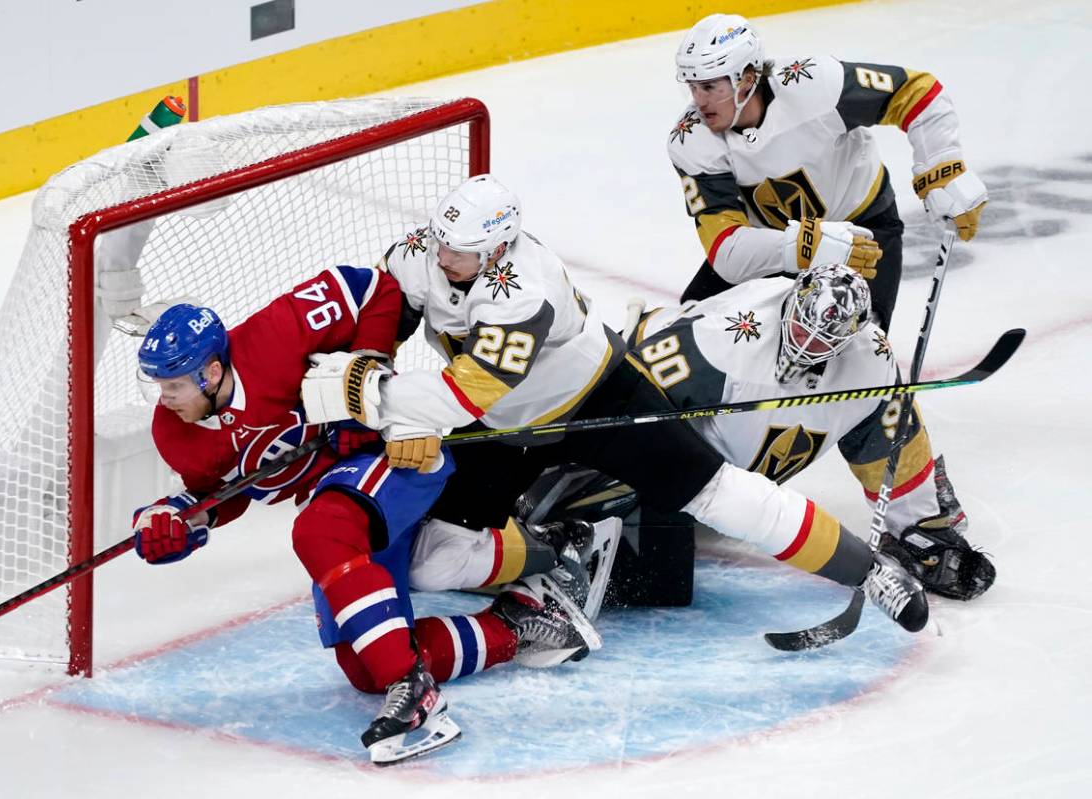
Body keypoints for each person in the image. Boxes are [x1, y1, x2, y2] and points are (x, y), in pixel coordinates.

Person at [301, 173, 932, 636]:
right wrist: (373, 363)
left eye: (458, 250)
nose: (442, 257)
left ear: (497, 250)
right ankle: (556, 544)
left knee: (720, 494)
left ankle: (866, 568)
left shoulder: (521, 291)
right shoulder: (427, 251)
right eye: (439, 241)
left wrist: (371, 395)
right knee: (429, 565)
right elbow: (390, 300)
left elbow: (469, 389)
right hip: (508, 429)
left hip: (598, 398)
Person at [129, 267, 599, 765]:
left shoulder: (276, 333)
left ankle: (414, 688)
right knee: (364, 667)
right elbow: (223, 492)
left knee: (320, 530)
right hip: (344, 497)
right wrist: (178, 519)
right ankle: (518, 624)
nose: (164, 398)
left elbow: (372, 288)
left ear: (213, 371)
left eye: (174, 384)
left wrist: (364, 379)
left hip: (393, 451)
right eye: (159, 386)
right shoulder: (174, 432)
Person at [628, 262, 995, 601]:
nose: (805, 345)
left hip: (728, 484)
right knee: (647, 554)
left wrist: (918, 525)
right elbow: (626, 393)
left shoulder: (870, 361)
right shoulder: (726, 337)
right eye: (804, 327)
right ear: (791, 305)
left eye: (823, 340)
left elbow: (887, 442)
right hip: (653, 372)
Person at [667, 12, 988, 330]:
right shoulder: (692, 140)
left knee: (849, 352)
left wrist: (942, 165)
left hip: (865, 233)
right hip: (775, 243)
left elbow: (917, 92)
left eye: (710, 87)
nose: (699, 101)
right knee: (692, 330)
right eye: (692, 88)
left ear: (747, 78)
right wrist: (806, 245)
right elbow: (727, 250)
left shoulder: (814, 84)